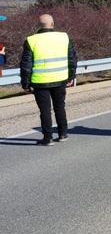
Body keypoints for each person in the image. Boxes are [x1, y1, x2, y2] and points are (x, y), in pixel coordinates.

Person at [19, 14, 78, 145]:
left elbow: (26, 64)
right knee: (60, 107)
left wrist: (25, 83)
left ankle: (48, 138)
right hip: (60, 78)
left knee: (45, 110)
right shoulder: (64, 37)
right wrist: (71, 76)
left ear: (38, 26)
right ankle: (63, 134)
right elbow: (72, 59)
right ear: (52, 24)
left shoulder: (31, 40)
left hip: (40, 81)